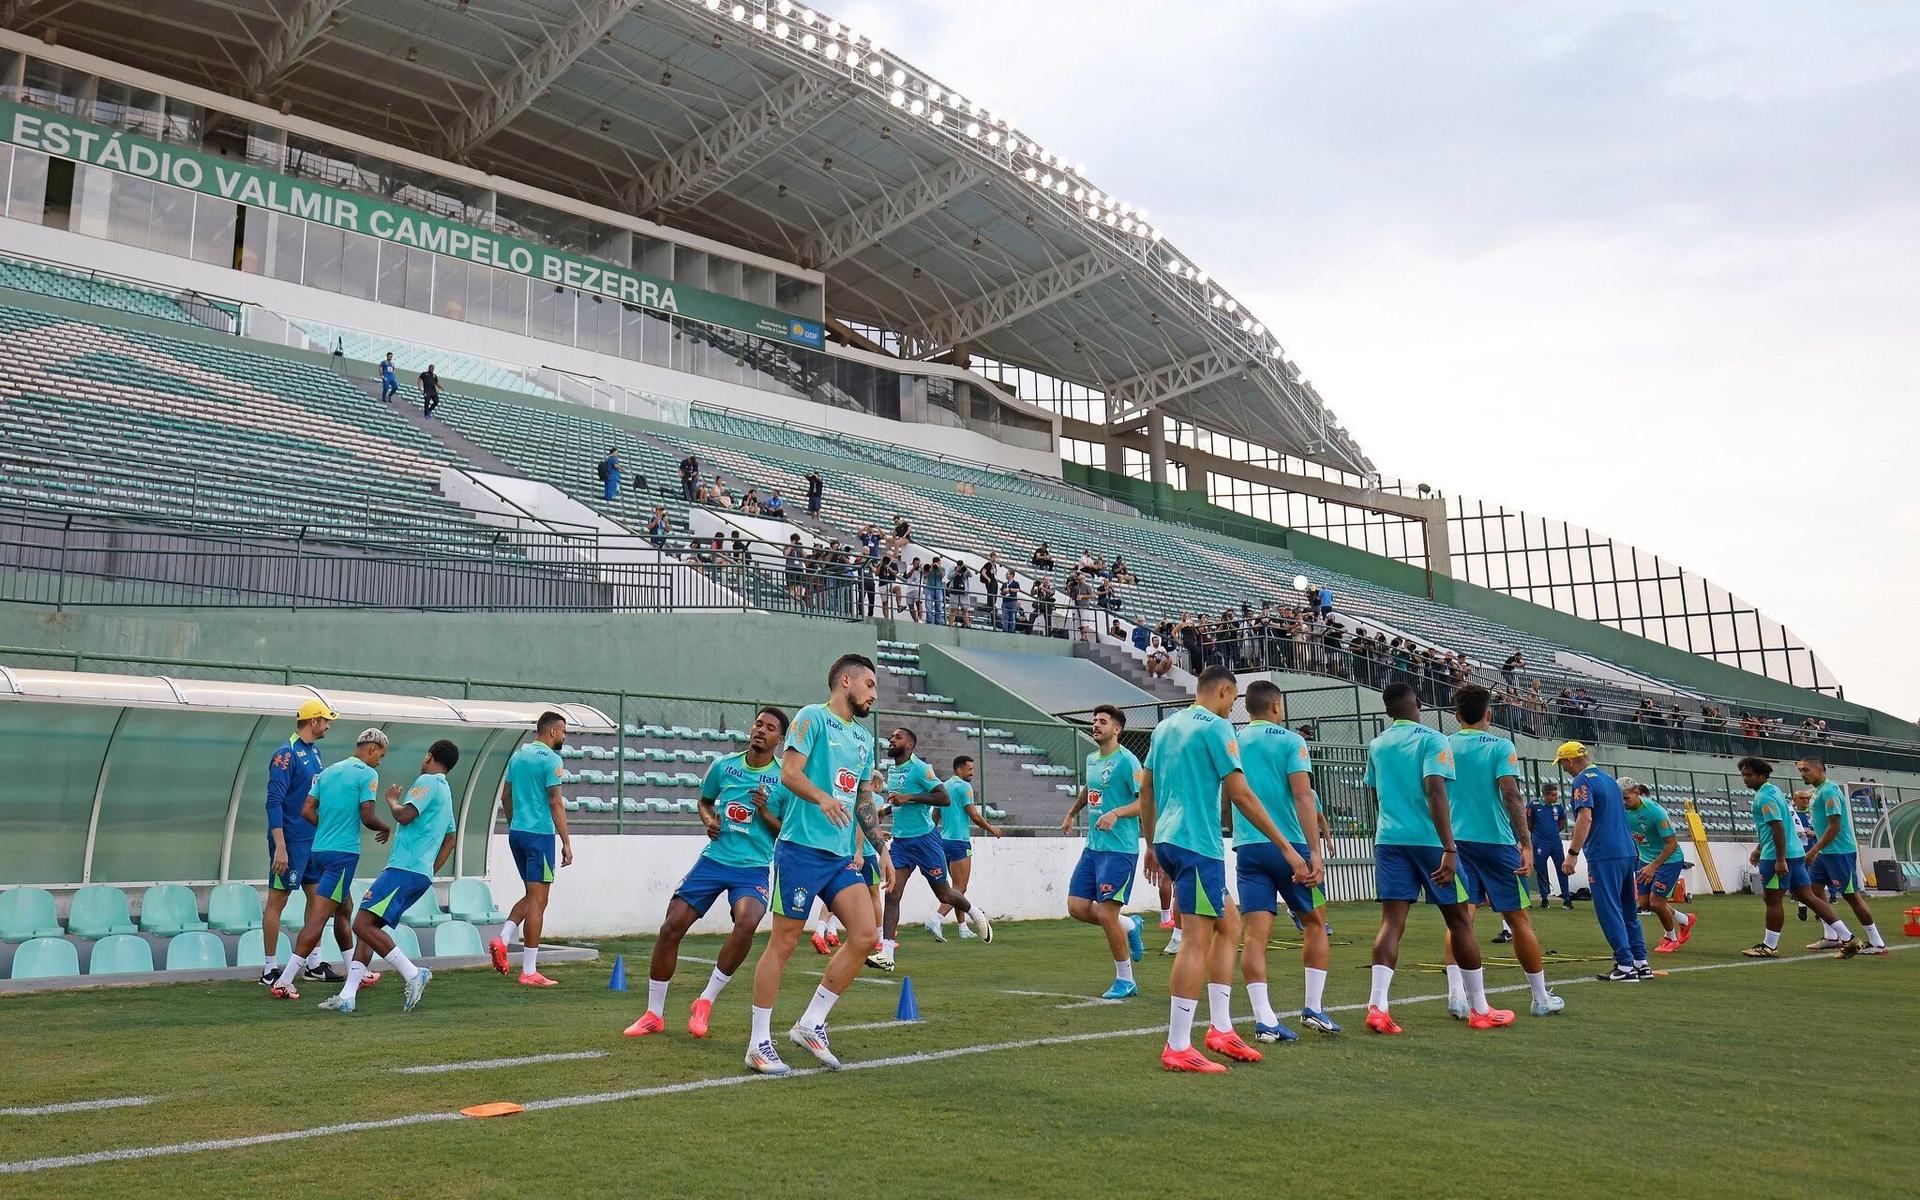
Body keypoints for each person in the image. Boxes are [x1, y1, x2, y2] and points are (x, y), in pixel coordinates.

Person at [1141, 666, 1293, 1072]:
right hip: (1197, 845)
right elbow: (1241, 794)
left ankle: (1221, 1028)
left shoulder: (1166, 727)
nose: (1233, 707)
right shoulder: (1218, 728)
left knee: (1229, 924)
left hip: (1171, 840)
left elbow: (1147, 788)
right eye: (1233, 698)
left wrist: (1151, 842)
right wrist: (1287, 848)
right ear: (1225, 690)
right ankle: (1177, 1045)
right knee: (1195, 940)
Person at [744, 655, 890, 1076]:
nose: (874, 694)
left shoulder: (863, 738)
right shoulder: (812, 718)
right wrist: (822, 798)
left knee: (864, 936)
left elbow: (863, 799)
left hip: (841, 857)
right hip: (800, 850)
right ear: (846, 681)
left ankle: (811, 1024)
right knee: (783, 944)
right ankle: (758, 1044)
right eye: (869, 684)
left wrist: (882, 849)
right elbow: (790, 773)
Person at [625, 707, 789, 1040]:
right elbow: (705, 802)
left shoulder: (785, 778)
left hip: (753, 866)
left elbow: (785, 831)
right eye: (758, 724)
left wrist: (764, 811)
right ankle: (653, 1014)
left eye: (770, 728)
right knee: (671, 926)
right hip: (714, 860)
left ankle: (706, 1000)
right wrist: (709, 820)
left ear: (779, 738)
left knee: (747, 922)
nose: (761, 730)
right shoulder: (723, 767)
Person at [1362, 683, 1506, 1033]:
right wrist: (1450, 847)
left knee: (1391, 923)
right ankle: (1481, 1009)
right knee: (1460, 921)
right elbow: (1435, 790)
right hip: (1430, 842)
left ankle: (1377, 1007)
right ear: (1419, 703)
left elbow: (1373, 793)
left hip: (1389, 841)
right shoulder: (1433, 739)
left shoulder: (1377, 744)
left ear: (1387, 711)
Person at [1443, 686, 1563, 1019]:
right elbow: (1511, 795)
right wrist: (1525, 843)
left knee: (1459, 919)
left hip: (1454, 842)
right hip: (1495, 842)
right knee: (1518, 919)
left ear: (1456, 715)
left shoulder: (1443, 745)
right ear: (1489, 714)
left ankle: (1456, 996)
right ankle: (1540, 998)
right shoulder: (1500, 745)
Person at [321, 740, 459, 1014]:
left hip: (403, 869)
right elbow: (451, 839)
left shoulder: (428, 782)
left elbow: (405, 816)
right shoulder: (446, 791)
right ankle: (348, 995)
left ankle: (411, 973)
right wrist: (429, 869)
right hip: (417, 873)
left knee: (360, 924)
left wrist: (393, 800)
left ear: (429, 756)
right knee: (369, 931)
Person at [1232, 681, 1332, 1039]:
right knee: (1316, 923)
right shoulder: (1291, 741)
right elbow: (1303, 795)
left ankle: (1265, 1020)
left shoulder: (1234, 741)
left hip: (1249, 848)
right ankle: (1314, 1008)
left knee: (1255, 936)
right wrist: (1314, 850)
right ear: (1276, 706)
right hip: (1290, 847)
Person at [268, 728, 393, 1000]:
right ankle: (284, 980)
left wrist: (325, 827)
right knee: (319, 917)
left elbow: (306, 810)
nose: (379, 762)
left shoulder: (329, 771)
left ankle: (355, 970)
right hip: (343, 854)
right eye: (380, 756)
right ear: (371, 749)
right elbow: (368, 815)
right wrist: (386, 827)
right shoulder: (367, 774)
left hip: (319, 850)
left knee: (345, 907)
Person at [872, 727, 992, 971]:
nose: (892, 740)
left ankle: (975, 913)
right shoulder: (893, 769)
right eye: (892, 737)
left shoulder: (920, 768)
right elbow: (899, 803)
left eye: (898, 737)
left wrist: (911, 797)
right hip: (902, 843)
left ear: (910, 745)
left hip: (926, 841)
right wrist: (884, 810)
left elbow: (943, 798)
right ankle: (887, 954)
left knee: (944, 894)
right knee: (892, 893)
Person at [260, 699, 352, 988]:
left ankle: (313, 964)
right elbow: (273, 802)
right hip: (290, 842)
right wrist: (281, 846)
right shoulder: (285, 755)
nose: (327, 726)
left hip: (313, 841)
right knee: (279, 900)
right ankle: (269, 969)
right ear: (313, 721)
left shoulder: (314, 752)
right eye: (325, 721)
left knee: (318, 900)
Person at [1061, 706, 1148, 998]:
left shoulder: (1127, 761)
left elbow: (1146, 802)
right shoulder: (1092, 758)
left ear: (1117, 729)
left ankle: (1126, 979)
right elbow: (1090, 789)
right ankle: (1130, 925)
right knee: (1076, 906)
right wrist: (1072, 812)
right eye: (1094, 721)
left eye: (1102, 722)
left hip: (1120, 849)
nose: (1095, 725)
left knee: (1108, 914)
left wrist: (1117, 813)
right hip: (1093, 848)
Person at [1737, 758, 1861, 958]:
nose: (1745, 778)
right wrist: (1759, 848)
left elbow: (1777, 827)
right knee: (1808, 896)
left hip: (1779, 855)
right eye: (1743, 774)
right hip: (1795, 853)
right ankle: (1848, 937)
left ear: (1762, 775)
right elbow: (1778, 826)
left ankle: (1769, 946)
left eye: (1749, 775)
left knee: (1772, 899)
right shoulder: (1774, 791)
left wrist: (1779, 859)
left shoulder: (1764, 798)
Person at [489, 712, 574, 987]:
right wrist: (566, 842)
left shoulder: (518, 757)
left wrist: (515, 824)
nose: (564, 737)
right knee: (540, 900)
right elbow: (555, 802)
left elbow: (505, 796)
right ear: (552, 732)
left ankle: (502, 940)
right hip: (539, 835)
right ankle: (528, 970)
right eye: (563, 732)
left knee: (532, 894)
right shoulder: (551, 760)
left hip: (518, 833)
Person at [1557, 741, 1649, 981]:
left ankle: (1625, 965)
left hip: (1604, 853)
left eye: (1563, 765)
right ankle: (1641, 962)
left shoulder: (1582, 781)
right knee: (1629, 909)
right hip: (1627, 851)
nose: (1564, 770)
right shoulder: (1609, 779)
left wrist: (1572, 854)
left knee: (1609, 909)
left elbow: (1584, 818)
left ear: (1569, 761)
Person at [1796, 756, 1887, 955]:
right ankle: (1831, 936)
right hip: (1826, 852)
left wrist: (1813, 850)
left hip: (1839, 852)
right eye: (1800, 770)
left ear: (1820, 770)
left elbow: (1835, 827)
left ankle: (1876, 942)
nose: (1802, 774)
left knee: (1850, 895)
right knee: (1814, 890)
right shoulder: (1818, 792)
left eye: (1805, 770)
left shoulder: (1829, 792)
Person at [1619, 778, 1696, 953]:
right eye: (1620, 799)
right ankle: (1685, 920)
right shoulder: (1621, 810)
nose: (1623, 803)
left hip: (1668, 860)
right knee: (1645, 903)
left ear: (1637, 792)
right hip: (1645, 860)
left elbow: (1671, 844)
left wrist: (1654, 866)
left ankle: (1670, 937)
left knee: (1656, 902)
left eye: (1626, 798)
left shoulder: (1655, 812)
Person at [928, 756, 1000, 941]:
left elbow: (935, 815)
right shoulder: (964, 787)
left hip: (943, 841)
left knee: (954, 888)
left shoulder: (943, 786)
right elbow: (974, 816)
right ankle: (936, 919)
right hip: (959, 842)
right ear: (959, 770)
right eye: (969, 769)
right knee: (960, 887)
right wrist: (991, 828)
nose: (972, 773)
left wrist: (931, 837)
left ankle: (962, 928)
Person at [1526, 782, 1573, 910]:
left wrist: (1552, 832)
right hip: (1540, 843)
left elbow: (1562, 823)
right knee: (1541, 870)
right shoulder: (1534, 805)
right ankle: (1544, 898)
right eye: (1553, 795)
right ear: (1545, 795)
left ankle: (1567, 899)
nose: (1556, 797)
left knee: (1562, 869)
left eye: (1556, 795)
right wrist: (1537, 834)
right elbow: (1528, 822)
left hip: (1555, 842)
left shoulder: (1558, 806)